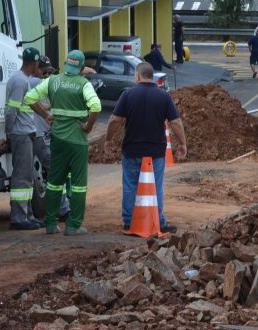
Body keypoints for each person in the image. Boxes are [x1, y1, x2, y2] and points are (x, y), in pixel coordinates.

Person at [24, 50, 101, 236]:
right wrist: (88, 126)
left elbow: (29, 98)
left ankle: (51, 224)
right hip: (77, 141)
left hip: (57, 139)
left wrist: (46, 115)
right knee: (78, 185)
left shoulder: (52, 81)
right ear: (81, 67)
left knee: (54, 182)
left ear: (67, 64)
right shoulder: (84, 84)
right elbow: (96, 106)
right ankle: (73, 225)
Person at [104, 62, 187, 233]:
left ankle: (129, 221)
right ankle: (159, 221)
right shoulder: (164, 96)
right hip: (156, 151)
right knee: (156, 186)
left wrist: (108, 139)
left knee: (130, 185)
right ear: (152, 77)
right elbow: (176, 122)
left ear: (138, 75)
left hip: (132, 149)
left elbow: (115, 120)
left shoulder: (128, 94)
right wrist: (182, 143)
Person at [5, 47, 43, 230]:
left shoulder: (22, 79)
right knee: (21, 177)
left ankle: (27, 215)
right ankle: (19, 217)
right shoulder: (20, 81)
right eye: (38, 64)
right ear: (34, 63)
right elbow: (11, 110)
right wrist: (9, 133)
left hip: (25, 133)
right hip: (20, 134)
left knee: (27, 177)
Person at [30, 56, 70, 220]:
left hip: (46, 134)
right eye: (44, 71)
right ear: (35, 69)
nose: (47, 75)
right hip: (39, 135)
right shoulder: (34, 83)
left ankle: (60, 208)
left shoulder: (45, 84)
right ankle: (62, 209)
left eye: (50, 71)